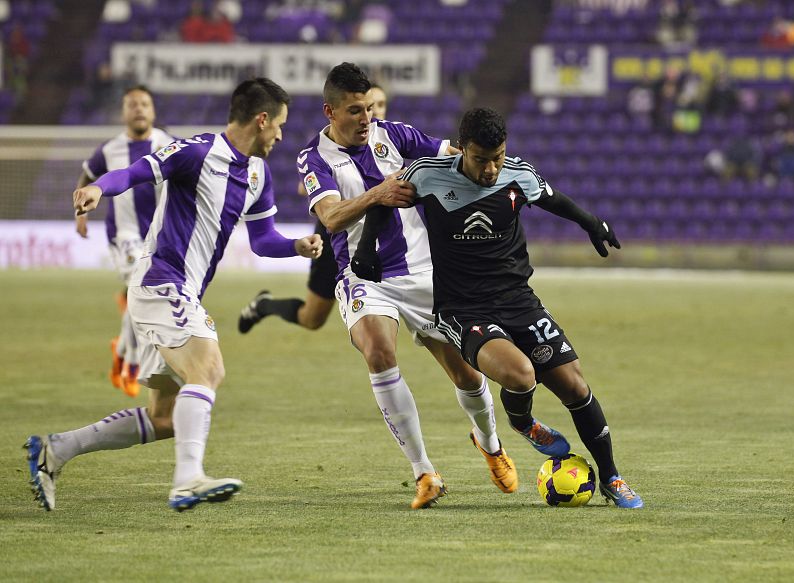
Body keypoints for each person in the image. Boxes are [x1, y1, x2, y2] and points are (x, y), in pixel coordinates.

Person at [25, 78, 323, 512]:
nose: (280, 134)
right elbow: (134, 173)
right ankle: (187, 481)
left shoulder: (258, 174)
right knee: (209, 369)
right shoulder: (196, 152)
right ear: (262, 120)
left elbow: (262, 240)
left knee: (163, 419)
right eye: (279, 124)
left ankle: (55, 450)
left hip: (183, 293)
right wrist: (97, 189)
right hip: (162, 282)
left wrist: (296, 246)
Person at [288, 62, 570, 509]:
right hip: (366, 277)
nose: (365, 118)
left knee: (466, 373)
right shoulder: (314, 158)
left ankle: (491, 444)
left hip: (425, 272)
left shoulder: (395, 135)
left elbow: (459, 156)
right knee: (378, 352)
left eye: (369, 109)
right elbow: (332, 217)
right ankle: (424, 472)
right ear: (330, 111)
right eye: (355, 110)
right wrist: (378, 194)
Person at [353, 108, 643, 508]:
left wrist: (593, 223)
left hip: (518, 300)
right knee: (521, 376)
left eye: (498, 157)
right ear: (462, 149)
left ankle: (611, 477)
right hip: (463, 309)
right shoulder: (427, 174)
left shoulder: (518, 174)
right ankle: (522, 421)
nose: (490, 169)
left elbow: (554, 199)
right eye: (481, 159)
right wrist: (366, 248)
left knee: (575, 386)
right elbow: (384, 200)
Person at [238, 83, 389, 333]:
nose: (376, 112)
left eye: (379, 106)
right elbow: (305, 186)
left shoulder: (388, 142)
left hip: (377, 236)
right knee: (312, 318)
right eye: (360, 108)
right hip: (335, 235)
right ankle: (264, 305)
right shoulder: (333, 145)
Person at [76, 85, 174, 398]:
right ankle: (132, 364)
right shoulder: (110, 150)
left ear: (153, 110)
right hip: (124, 235)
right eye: (132, 104)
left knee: (143, 296)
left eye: (144, 103)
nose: (139, 109)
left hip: (159, 236)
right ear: (123, 112)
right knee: (141, 287)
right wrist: (80, 213)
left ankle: (121, 350)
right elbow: (87, 176)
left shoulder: (167, 144)